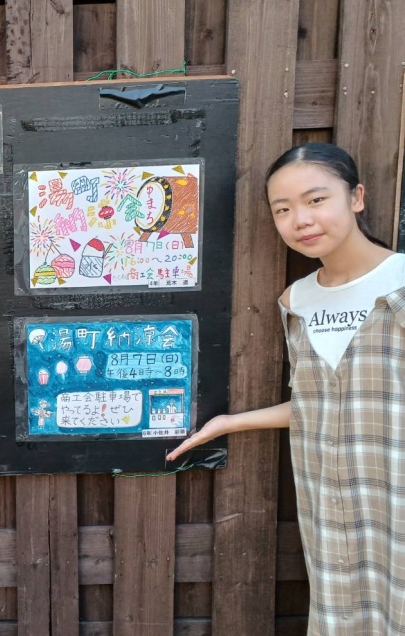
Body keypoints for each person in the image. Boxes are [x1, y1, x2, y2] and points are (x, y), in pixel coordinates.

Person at [167, 143, 405, 635]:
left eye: (316, 200)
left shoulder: (399, 280)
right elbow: (322, 401)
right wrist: (232, 422)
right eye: (283, 209)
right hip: (329, 503)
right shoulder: (298, 299)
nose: (301, 219)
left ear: (356, 197)